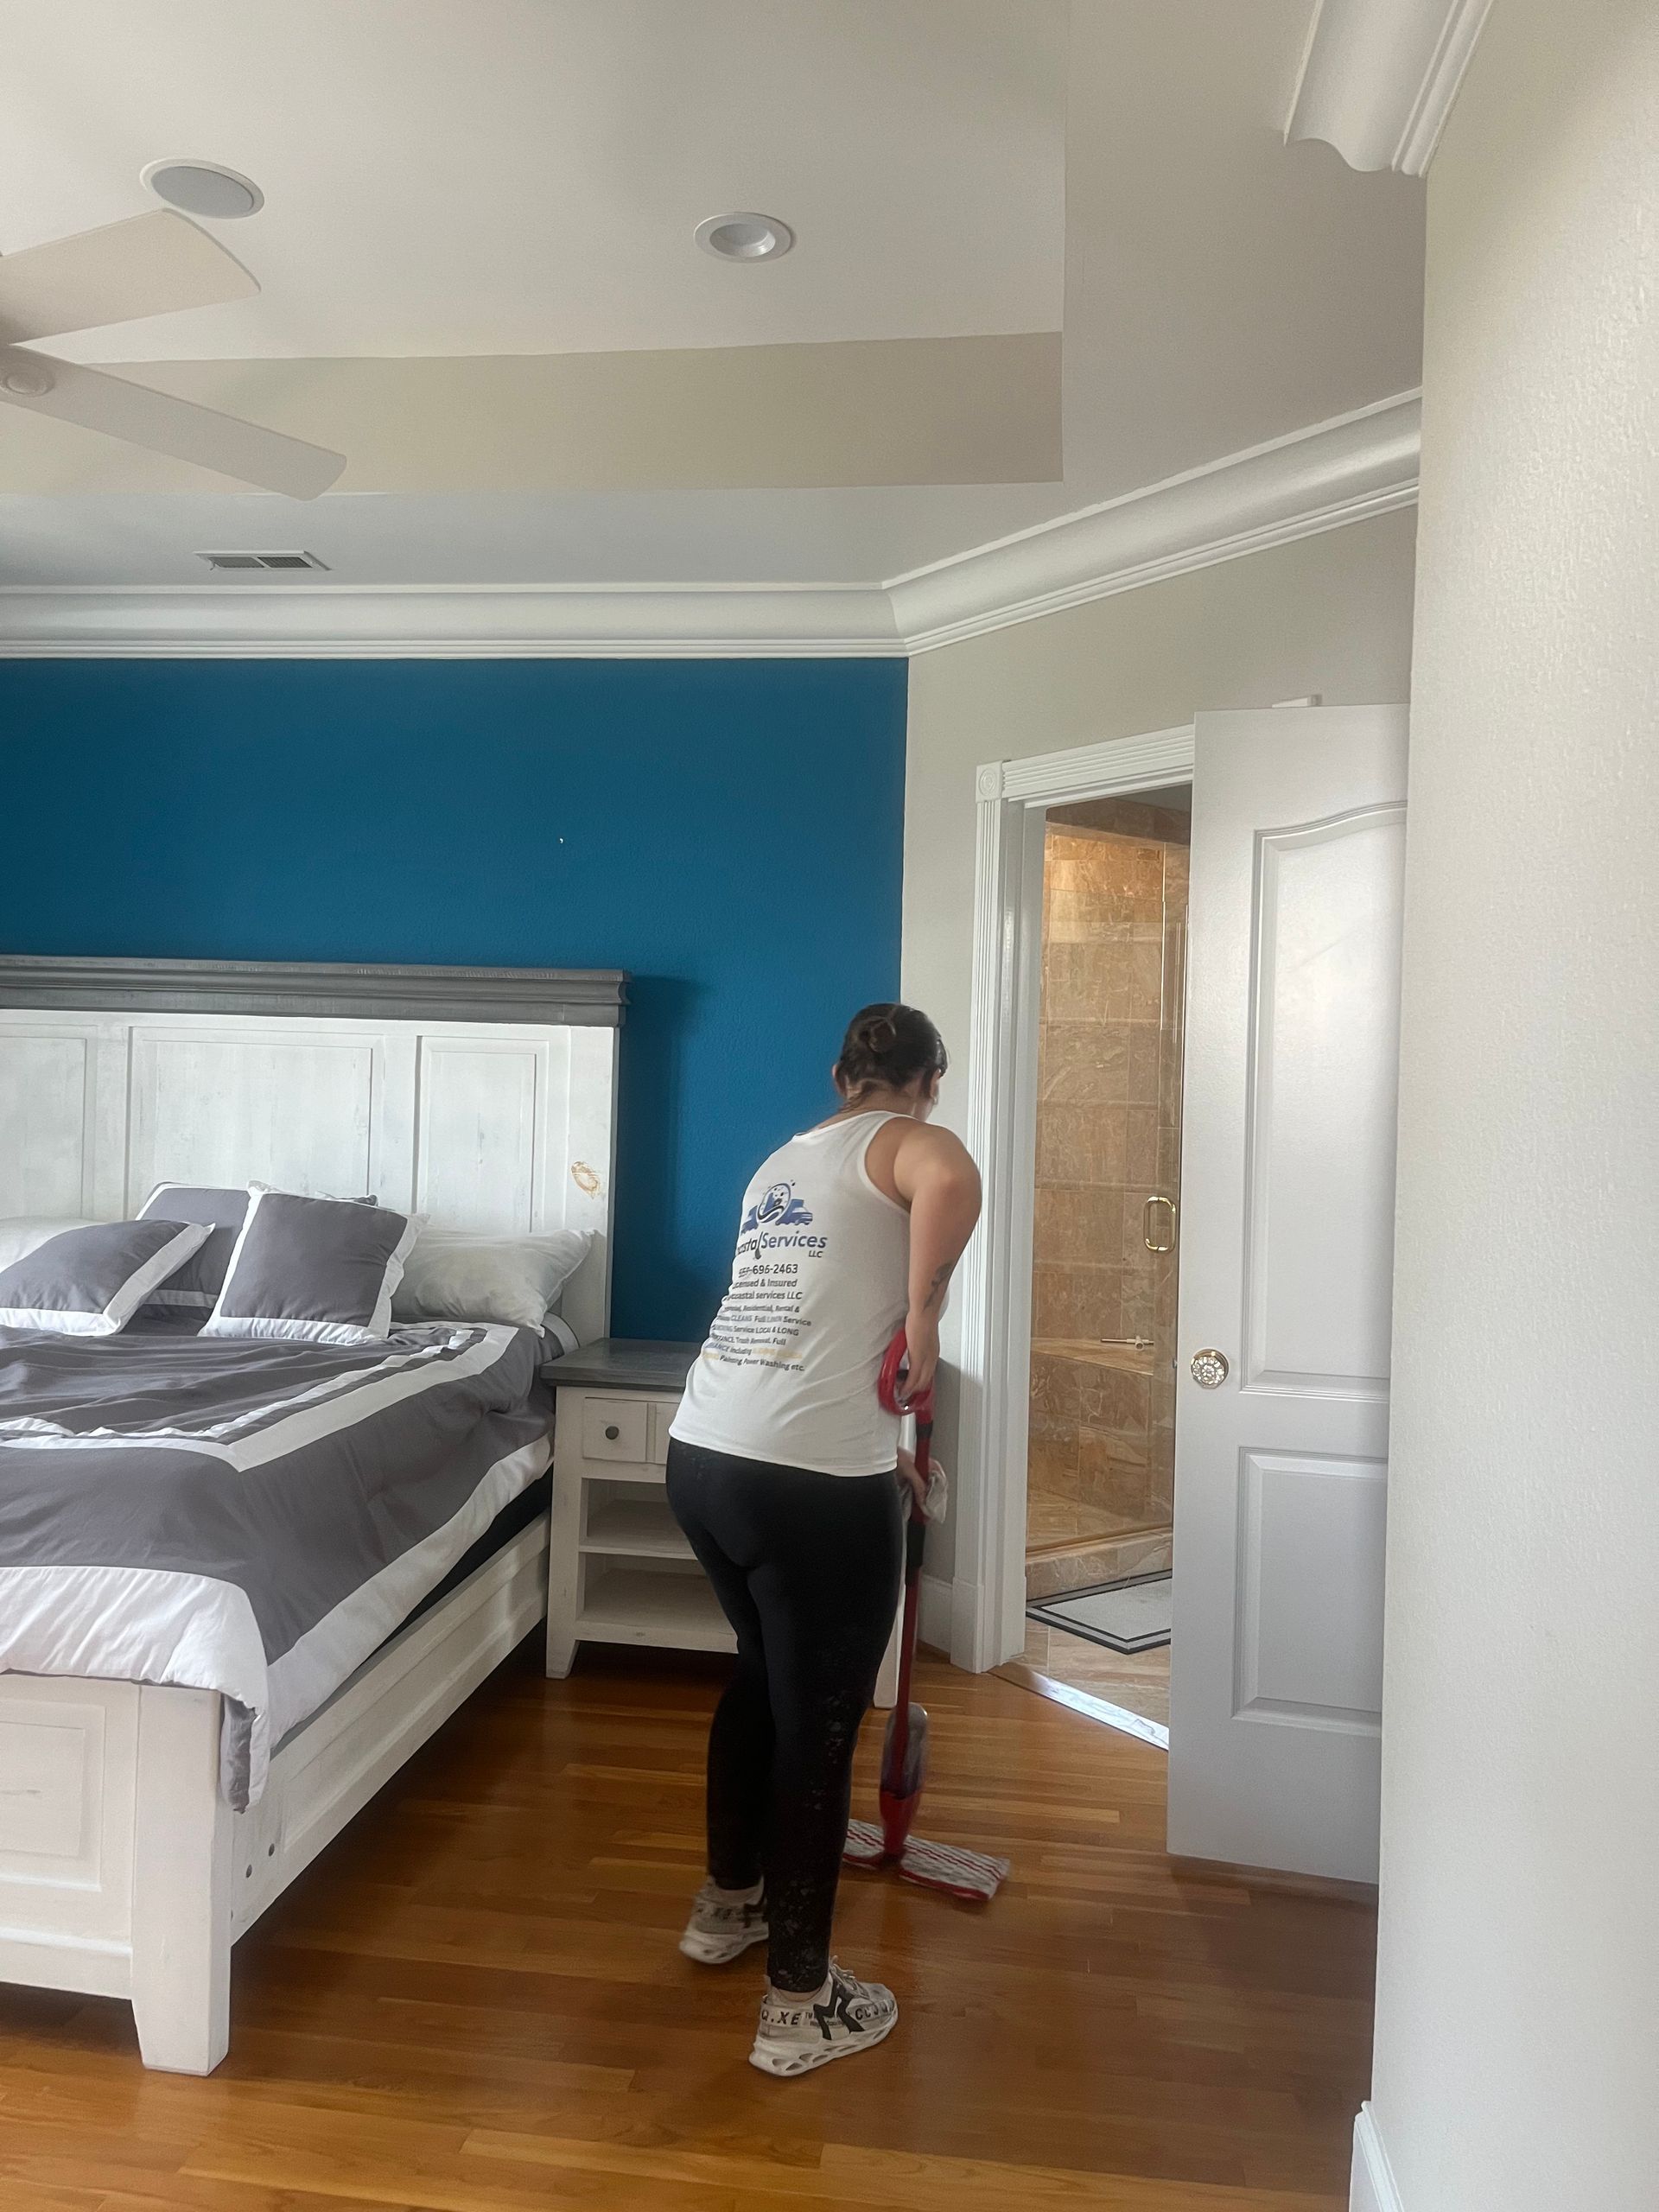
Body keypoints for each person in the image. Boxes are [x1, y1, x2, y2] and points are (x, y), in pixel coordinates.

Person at [665, 1002, 982, 2076]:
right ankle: (800, 2003)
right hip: (806, 1482)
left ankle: (728, 1905)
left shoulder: (784, 1162)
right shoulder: (915, 1140)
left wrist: (875, 1441)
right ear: (925, 1078)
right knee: (822, 1727)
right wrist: (928, 1321)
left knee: (762, 1674)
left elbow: (805, 1309)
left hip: (707, 1455)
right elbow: (948, 1179)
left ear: (840, 1074)